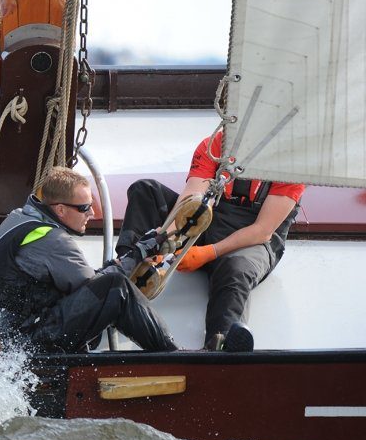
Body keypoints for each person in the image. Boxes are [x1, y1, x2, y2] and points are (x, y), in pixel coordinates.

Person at [116, 130, 305, 351]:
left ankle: (221, 343)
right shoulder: (215, 145)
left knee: (236, 270)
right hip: (209, 222)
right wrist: (169, 235)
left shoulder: (293, 163)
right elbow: (191, 197)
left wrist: (208, 253)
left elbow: (263, 230)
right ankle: (123, 276)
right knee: (145, 191)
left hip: (252, 241)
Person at [0, 166, 178, 353]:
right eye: (85, 208)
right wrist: (140, 252)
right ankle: (173, 356)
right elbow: (96, 288)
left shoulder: (18, 218)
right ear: (60, 209)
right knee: (117, 287)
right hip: (27, 344)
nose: (92, 213)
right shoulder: (53, 240)